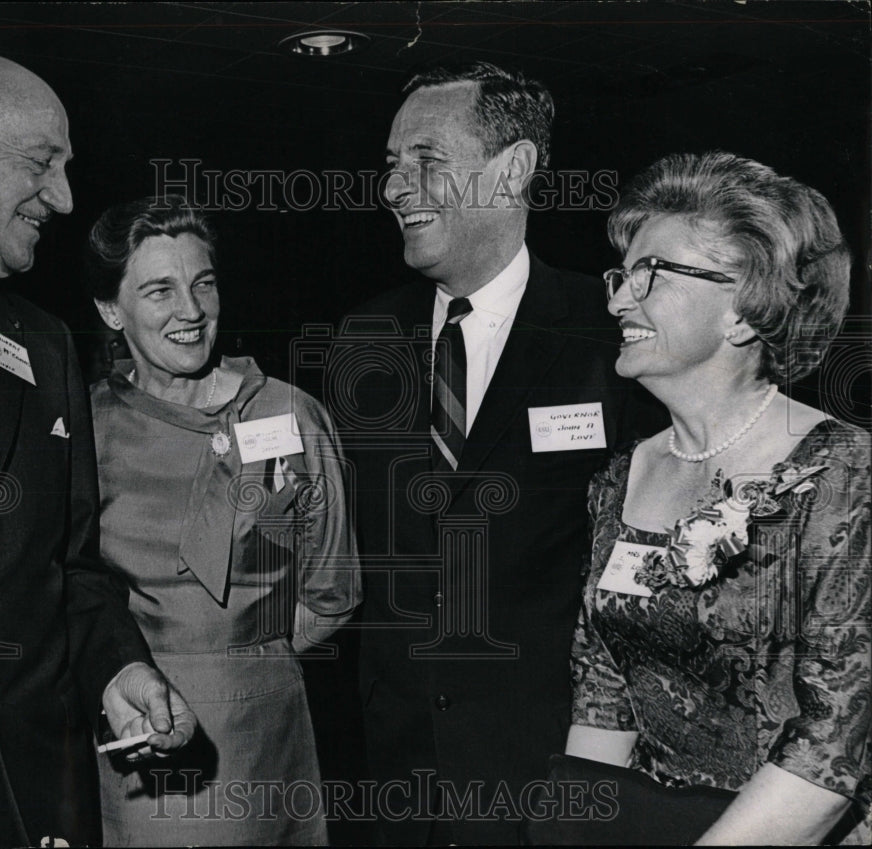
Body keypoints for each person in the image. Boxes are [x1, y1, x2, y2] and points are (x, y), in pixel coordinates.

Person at [0, 51, 195, 848]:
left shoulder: (44, 343)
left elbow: (72, 567)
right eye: (41, 163)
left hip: (32, 801)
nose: (64, 196)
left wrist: (119, 669)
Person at [335, 61, 662, 845]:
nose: (395, 187)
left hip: (555, 779)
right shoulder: (361, 341)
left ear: (513, 168)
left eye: (425, 160)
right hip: (397, 786)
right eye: (390, 165)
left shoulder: (614, 334)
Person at [567, 151, 870, 844]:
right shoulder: (620, 480)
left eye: (650, 274)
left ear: (743, 309)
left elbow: (831, 746)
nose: (617, 298)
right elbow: (604, 695)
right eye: (621, 274)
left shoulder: (846, 475)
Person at [86, 196, 361, 846]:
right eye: (160, 290)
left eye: (203, 283)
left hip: (263, 734)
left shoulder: (291, 413)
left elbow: (334, 587)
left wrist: (245, 663)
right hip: (139, 729)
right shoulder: (82, 427)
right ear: (110, 309)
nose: (191, 310)